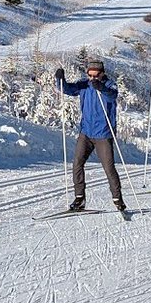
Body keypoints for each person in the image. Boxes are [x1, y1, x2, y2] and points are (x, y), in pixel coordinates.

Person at [55, 60, 126, 212]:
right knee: (77, 164)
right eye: (90, 75)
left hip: (103, 134)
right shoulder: (84, 84)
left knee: (108, 167)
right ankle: (79, 198)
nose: (92, 78)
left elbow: (112, 96)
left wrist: (101, 88)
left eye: (96, 75)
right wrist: (60, 79)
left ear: (102, 73)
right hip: (86, 132)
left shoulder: (109, 85)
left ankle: (118, 199)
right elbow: (66, 89)